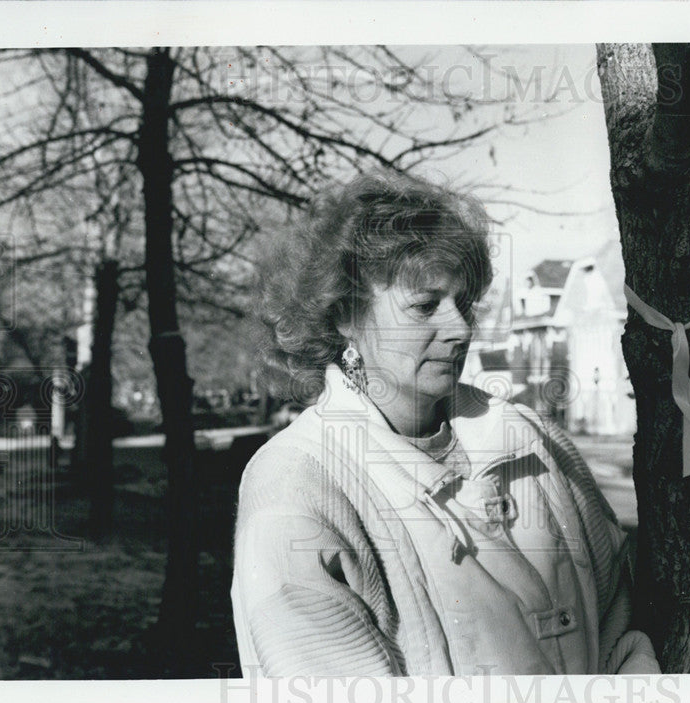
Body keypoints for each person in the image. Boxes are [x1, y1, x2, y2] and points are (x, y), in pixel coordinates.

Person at [231, 170, 658, 676]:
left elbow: (624, 636)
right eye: (426, 305)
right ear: (346, 316)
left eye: (464, 304)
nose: (459, 330)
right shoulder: (297, 484)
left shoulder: (535, 442)